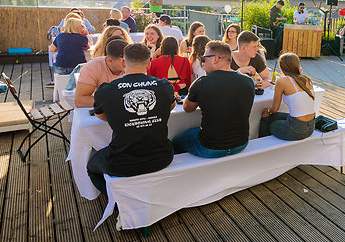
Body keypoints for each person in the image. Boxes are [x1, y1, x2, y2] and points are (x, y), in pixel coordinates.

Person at [86, 43, 176, 196]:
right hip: (162, 158)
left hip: (122, 163)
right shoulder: (165, 86)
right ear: (149, 64)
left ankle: (118, 202)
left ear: (123, 62)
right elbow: (170, 106)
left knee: (91, 167)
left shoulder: (106, 90)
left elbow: (101, 116)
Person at [173, 41, 255, 158]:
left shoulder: (202, 82)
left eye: (204, 59)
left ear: (215, 59)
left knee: (176, 140)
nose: (203, 63)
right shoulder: (248, 81)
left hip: (211, 147)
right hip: (241, 143)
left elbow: (187, 108)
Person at [260, 53, 315, 141]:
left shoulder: (282, 81)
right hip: (311, 126)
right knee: (274, 117)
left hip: (296, 130)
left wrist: (267, 111)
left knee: (266, 117)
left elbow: (274, 109)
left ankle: (262, 143)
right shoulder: (306, 79)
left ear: (281, 67)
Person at [74, 38, 128, 108]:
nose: (128, 63)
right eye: (124, 61)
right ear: (110, 60)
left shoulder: (133, 64)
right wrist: (114, 101)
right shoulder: (92, 67)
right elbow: (80, 101)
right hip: (102, 109)